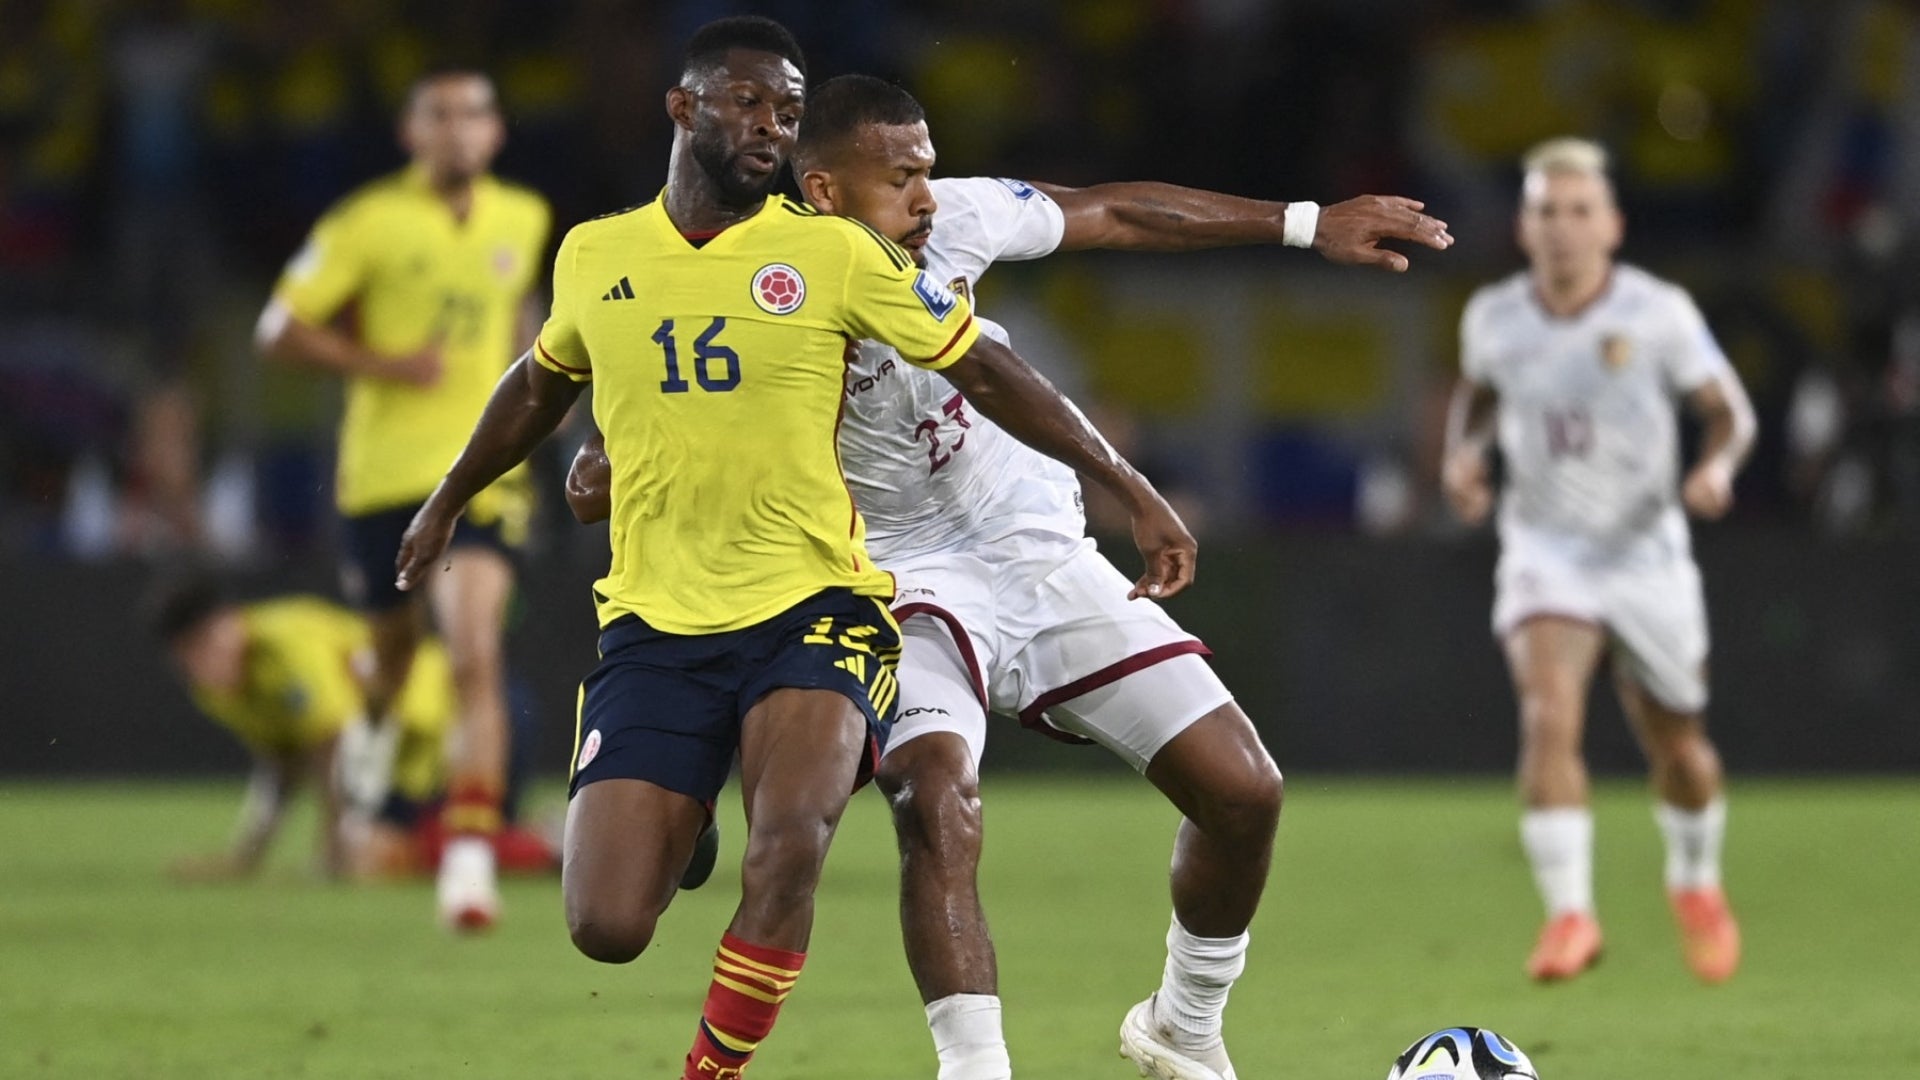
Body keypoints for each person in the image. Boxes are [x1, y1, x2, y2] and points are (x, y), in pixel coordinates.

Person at [566, 73, 1453, 1080]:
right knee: (934, 795)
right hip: (890, 578)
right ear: (822, 191)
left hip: (1032, 544)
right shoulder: (757, 278)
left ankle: (1184, 1021)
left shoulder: (953, 221)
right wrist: (611, 453)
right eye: (901, 179)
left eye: (927, 171)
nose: (927, 198)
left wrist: (1306, 222)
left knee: (1244, 792)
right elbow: (642, 407)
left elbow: (1112, 212)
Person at [392, 18, 1196, 1080]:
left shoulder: (837, 253)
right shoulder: (595, 253)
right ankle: (683, 819)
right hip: (658, 621)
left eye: (787, 108)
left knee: (791, 844)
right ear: (682, 108)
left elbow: (986, 370)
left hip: (816, 607)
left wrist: (1126, 485)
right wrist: (449, 498)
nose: (770, 125)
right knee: (607, 926)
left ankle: (709, 1072)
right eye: (747, 102)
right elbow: (542, 381)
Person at [1442, 137, 1754, 985]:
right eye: (1546, 211)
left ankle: (1695, 881)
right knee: (1548, 712)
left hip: (1646, 554)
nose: (1563, 227)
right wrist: (1463, 457)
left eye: (1580, 211)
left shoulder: (1659, 312)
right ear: (1524, 226)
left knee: (1679, 750)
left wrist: (1716, 468)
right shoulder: (1494, 316)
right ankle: (1570, 915)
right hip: (1546, 551)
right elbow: (1479, 394)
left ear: (1612, 225)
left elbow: (1730, 413)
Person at [254, 69, 551, 929]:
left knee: (472, 654)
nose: (459, 129)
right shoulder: (367, 221)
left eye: (475, 114)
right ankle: (374, 732)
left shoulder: (524, 217)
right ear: (411, 133)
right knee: (390, 661)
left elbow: (523, 322)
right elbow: (277, 329)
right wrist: (383, 365)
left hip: (484, 479)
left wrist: (549, 402)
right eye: (441, 116)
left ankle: (468, 860)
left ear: (496, 132)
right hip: (382, 478)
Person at [146, 577, 557, 882]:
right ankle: (542, 837)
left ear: (230, 621)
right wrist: (246, 859)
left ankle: (555, 843)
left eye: (208, 643)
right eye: (190, 656)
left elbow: (334, 742)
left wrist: (332, 849)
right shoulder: (215, 690)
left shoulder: (286, 642)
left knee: (425, 852)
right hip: (404, 762)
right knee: (383, 856)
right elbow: (282, 764)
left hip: (475, 718)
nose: (205, 663)